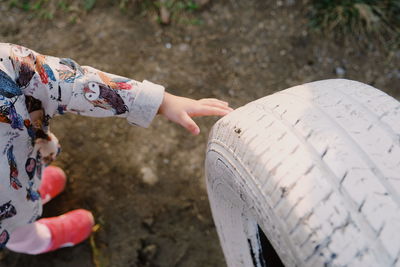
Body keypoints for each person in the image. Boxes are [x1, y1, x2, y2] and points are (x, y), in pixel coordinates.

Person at [0, 43, 233, 254]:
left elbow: (65, 81)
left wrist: (157, 102)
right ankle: (34, 241)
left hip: (19, 159)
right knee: (17, 226)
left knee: (25, 180)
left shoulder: (4, 67)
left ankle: (33, 189)